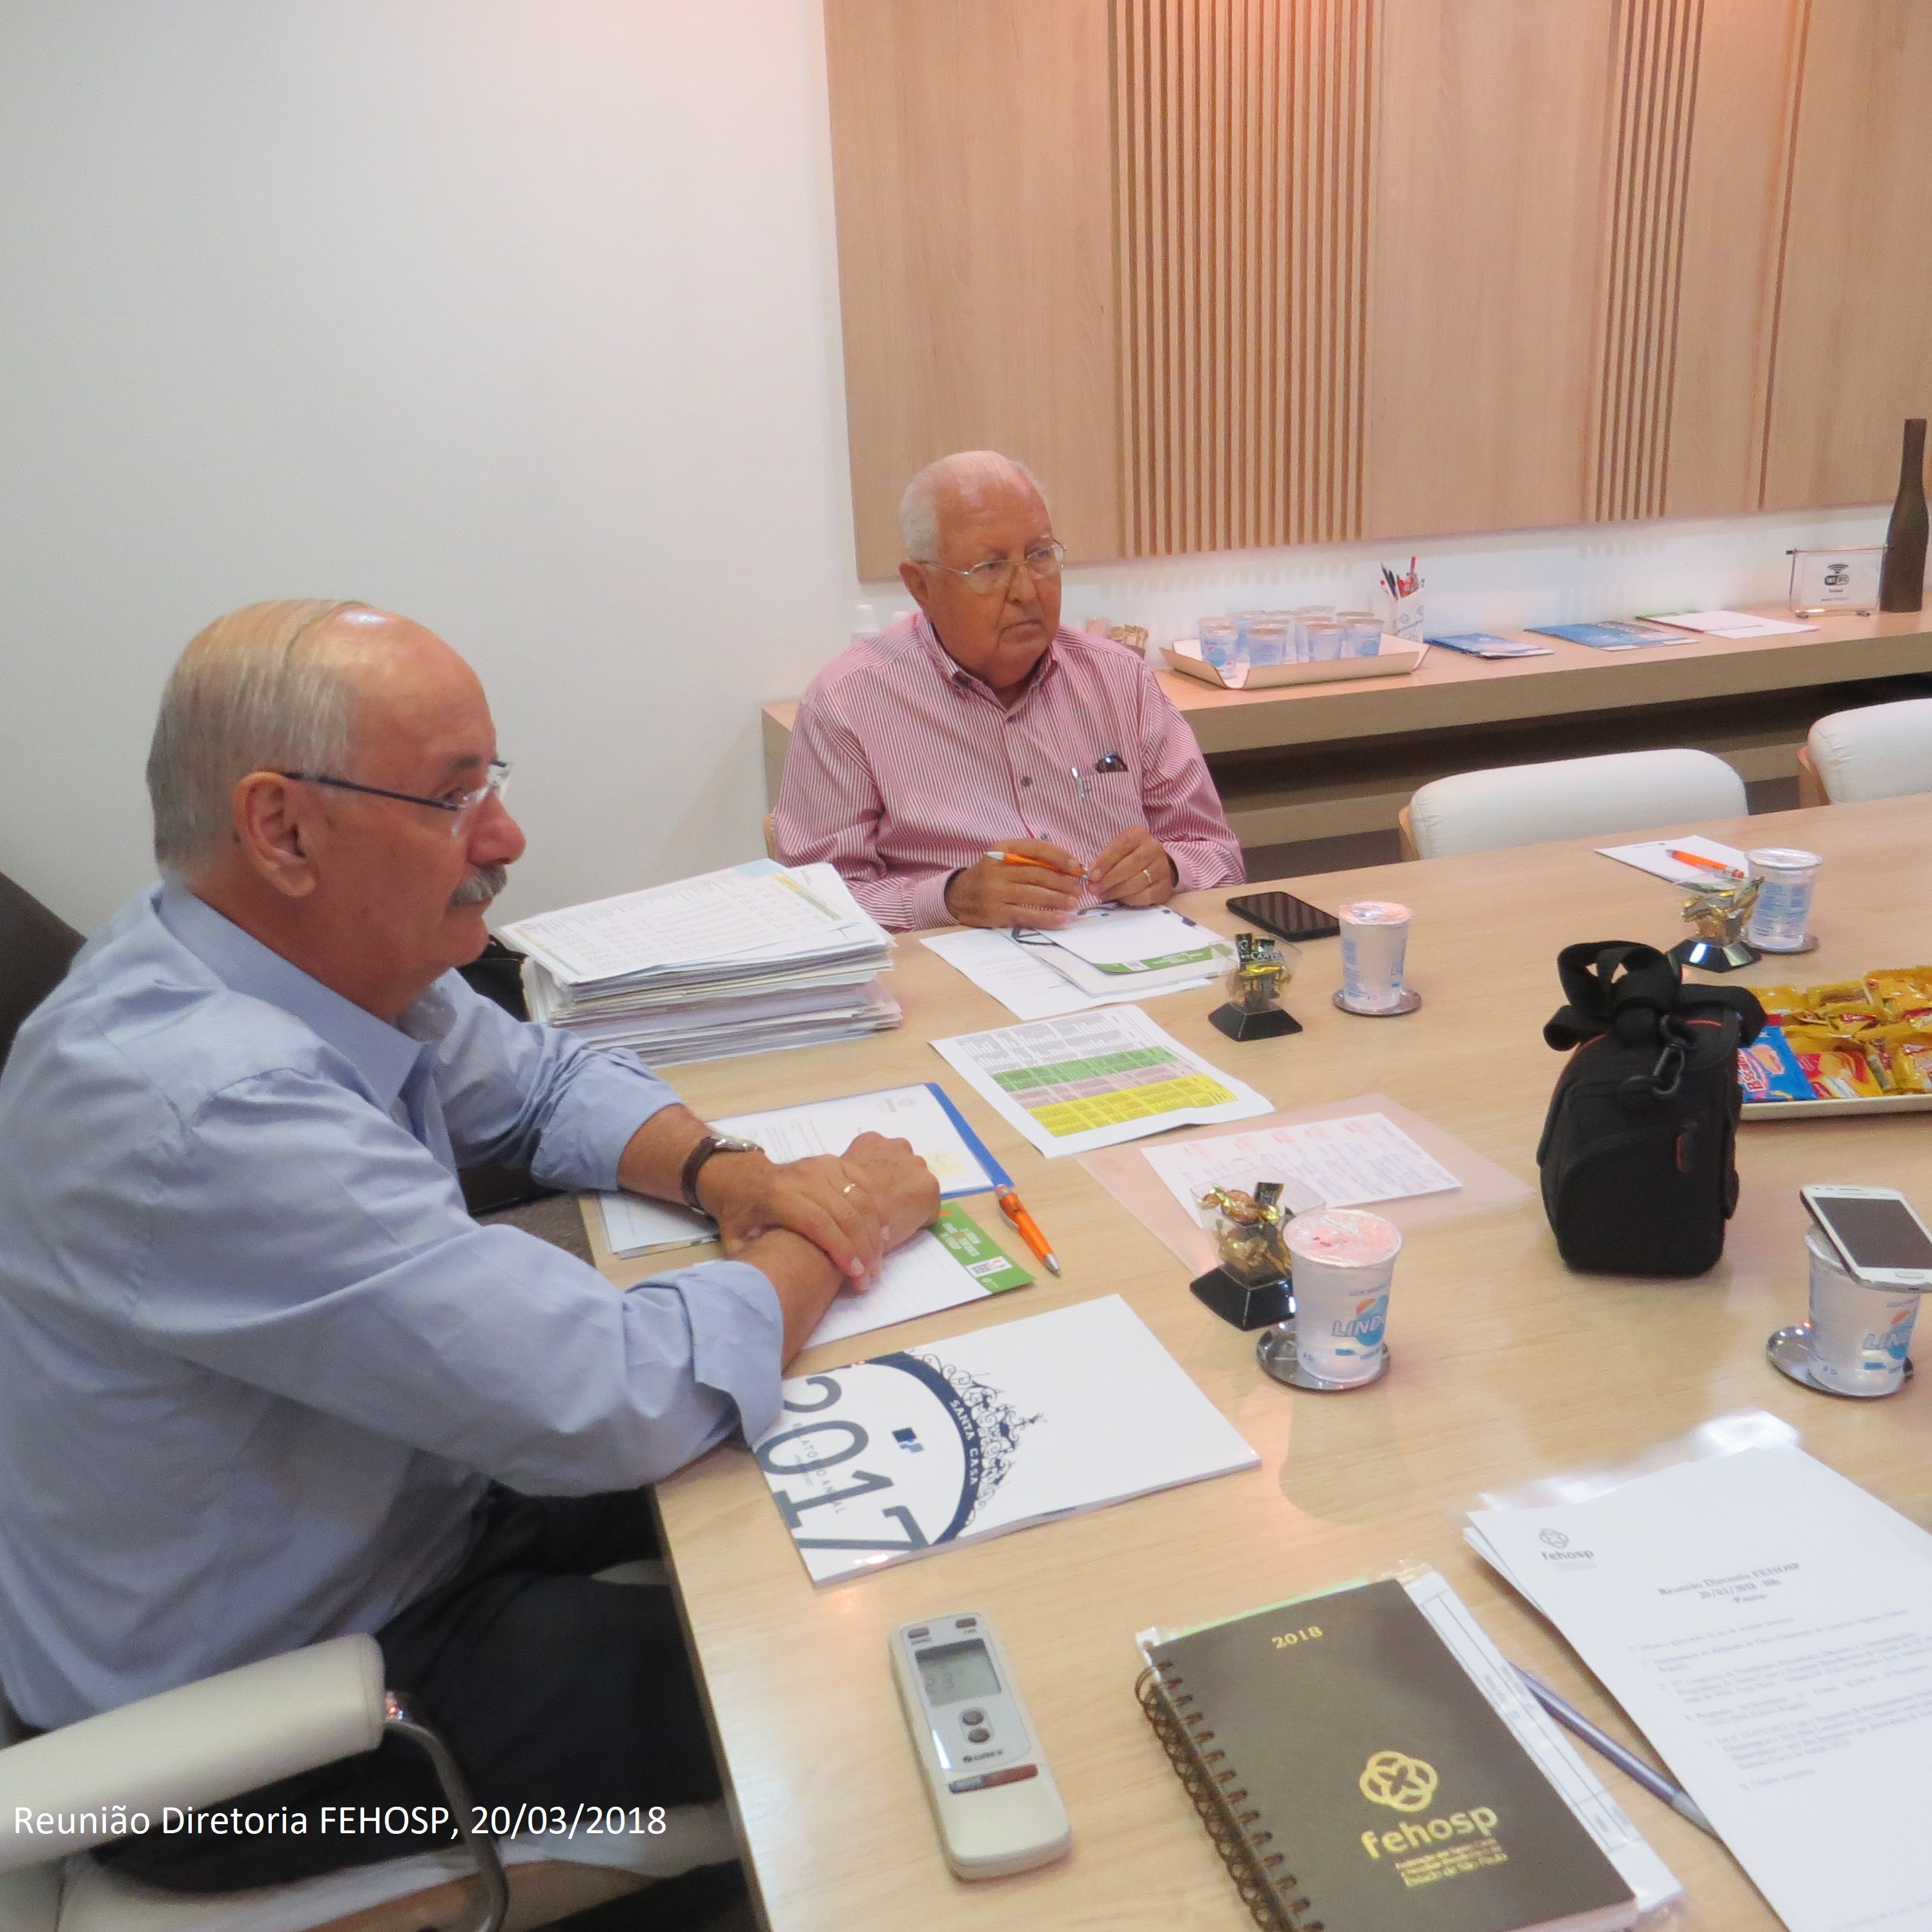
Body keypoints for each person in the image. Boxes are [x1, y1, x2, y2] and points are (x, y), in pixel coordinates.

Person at [0, 599, 939, 1926]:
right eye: (453, 798)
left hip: (396, 1515)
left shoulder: (286, 955)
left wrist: (727, 1173)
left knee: (882, 1473)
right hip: (263, 1736)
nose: (503, 838)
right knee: (866, 1667)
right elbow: (617, 1393)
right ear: (283, 828)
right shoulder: (210, 1107)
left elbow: (540, 1081)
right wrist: (833, 1223)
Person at [774, 449, 1245, 932]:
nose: (1027, 591)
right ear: (921, 587)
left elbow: (1218, 854)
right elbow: (816, 906)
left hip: (1126, 951)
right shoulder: (848, 702)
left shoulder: (1121, 679)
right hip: (960, 962)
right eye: (990, 567)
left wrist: (1169, 869)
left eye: (1040, 556)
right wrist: (948, 899)